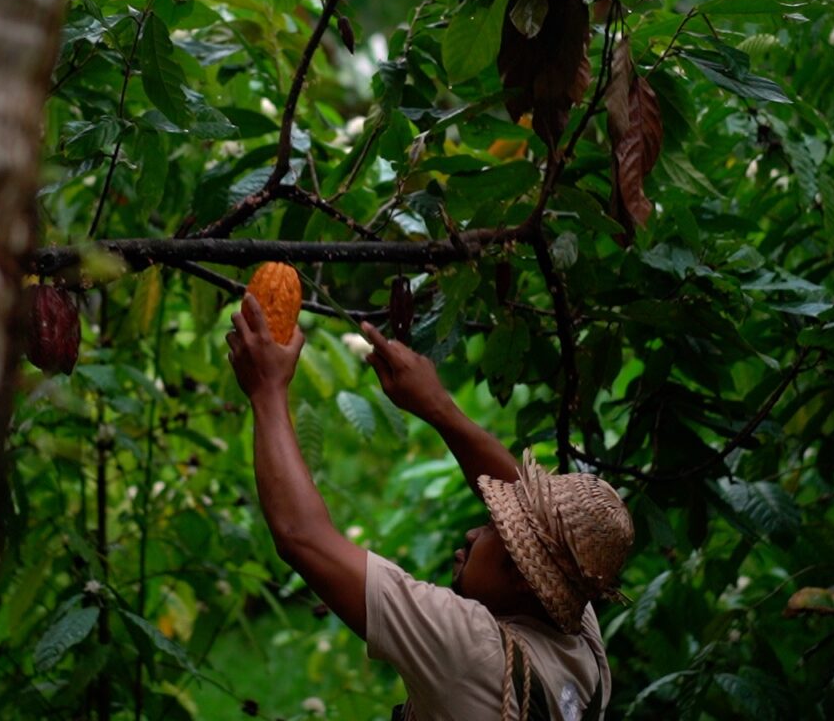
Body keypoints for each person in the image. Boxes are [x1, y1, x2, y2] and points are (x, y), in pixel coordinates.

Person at [226, 294, 634, 721]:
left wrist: (267, 390)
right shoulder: (579, 634)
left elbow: (301, 537)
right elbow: (531, 507)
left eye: (496, 530)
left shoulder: (473, 649)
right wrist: (436, 406)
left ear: (522, 576)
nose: (473, 533)